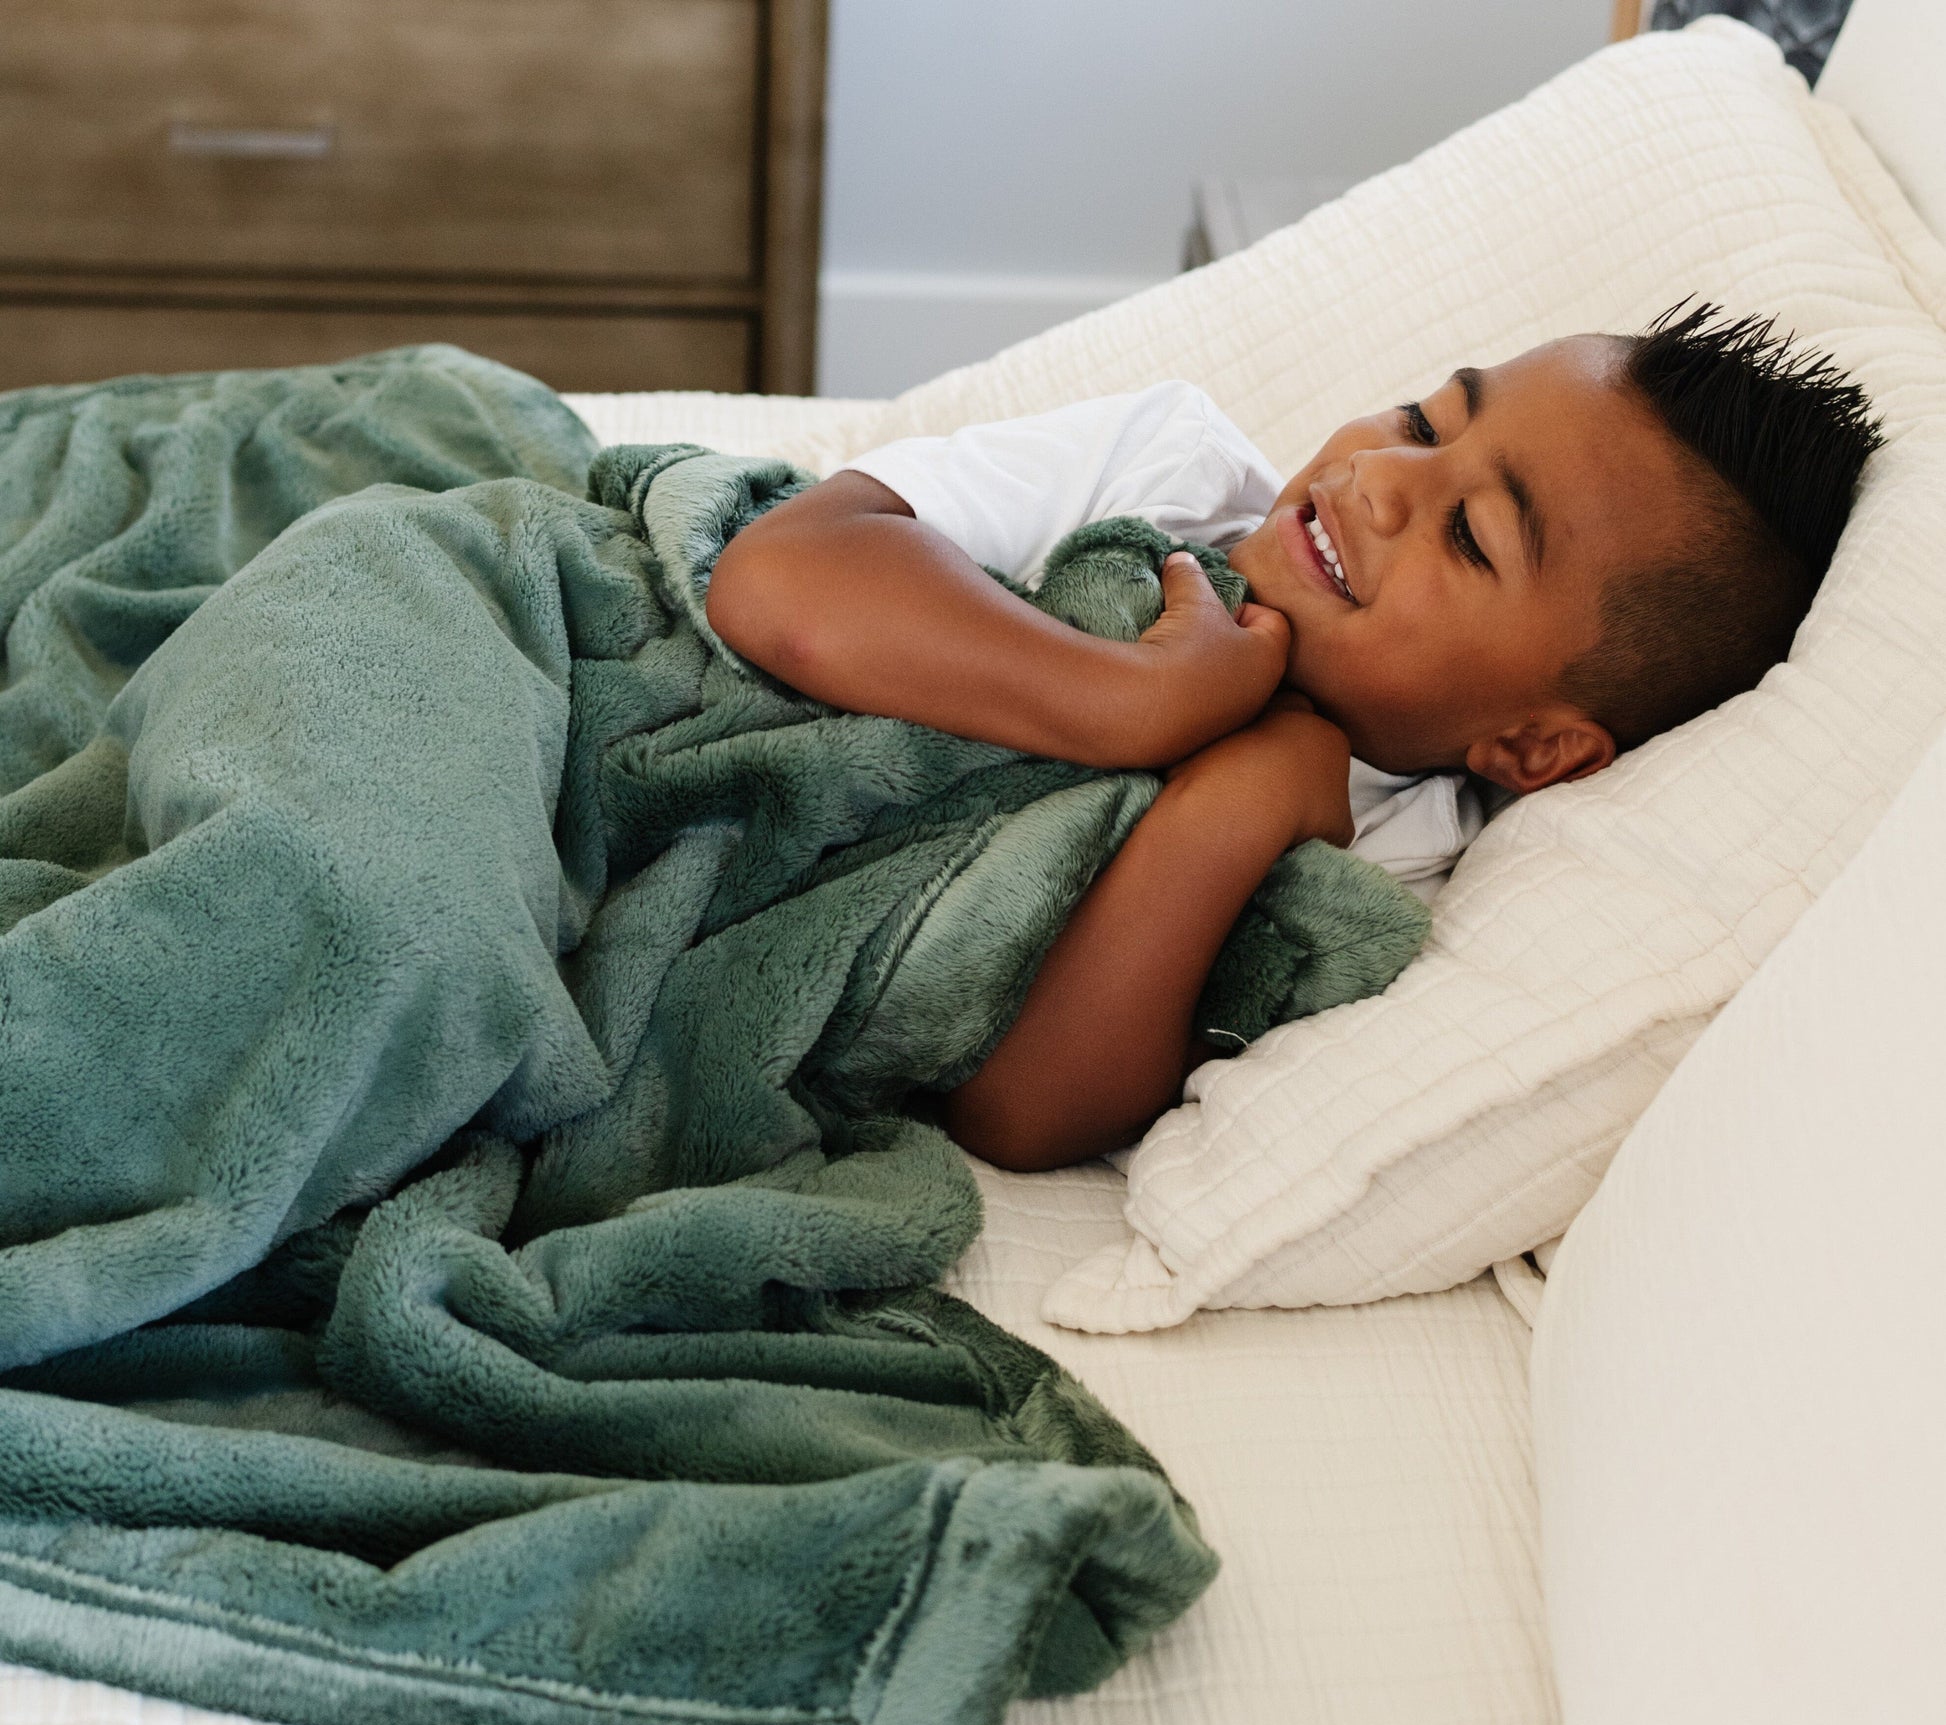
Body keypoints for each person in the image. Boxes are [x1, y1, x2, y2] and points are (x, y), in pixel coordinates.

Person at [705, 302, 1881, 1170]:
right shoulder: (1172, 476)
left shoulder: (1389, 860)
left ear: (1532, 749)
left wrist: (1235, 807)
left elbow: (1023, 1112)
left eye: (1468, 535)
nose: (1379, 477)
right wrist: (1133, 696)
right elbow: (778, 576)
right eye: (1423, 419)